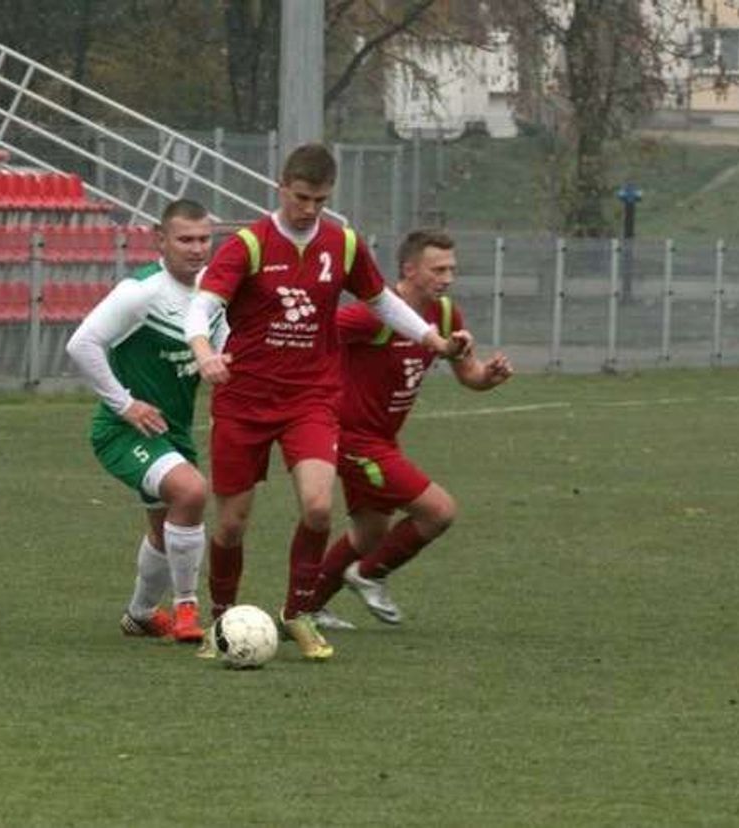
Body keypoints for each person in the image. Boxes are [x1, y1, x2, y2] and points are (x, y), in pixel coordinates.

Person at [184, 143, 470, 660]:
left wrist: (434, 342)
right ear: (281, 187)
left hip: (310, 398)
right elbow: (202, 305)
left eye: (320, 199)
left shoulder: (342, 244)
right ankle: (221, 620)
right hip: (244, 398)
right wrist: (205, 351)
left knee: (318, 508)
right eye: (301, 198)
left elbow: (382, 300)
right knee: (230, 524)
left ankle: (298, 613)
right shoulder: (248, 244)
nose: (310, 209)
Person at [310, 230, 513, 628]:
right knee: (439, 511)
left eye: (452, 269)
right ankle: (369, 574)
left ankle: (307, 606)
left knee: (370, 532)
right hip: (351, 437)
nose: (448, 278)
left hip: (382, 438)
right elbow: (314, 333)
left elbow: (469, 375)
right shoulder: (374, 314)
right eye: (438, 269)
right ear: (409, 269)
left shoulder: (445, 313)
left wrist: (489, 375)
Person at [66, 199, 226, 644]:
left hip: (171, 431)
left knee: (164, 527)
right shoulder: (142, 291)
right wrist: (125, 404)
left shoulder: (211, 296)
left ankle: (139, 615)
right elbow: (82, 344)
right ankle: (188, 610)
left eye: (203, 239)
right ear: (160, 239)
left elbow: (216, 351)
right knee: (191, 491)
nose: (196, 249)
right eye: (185, 239)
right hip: (124, 430)